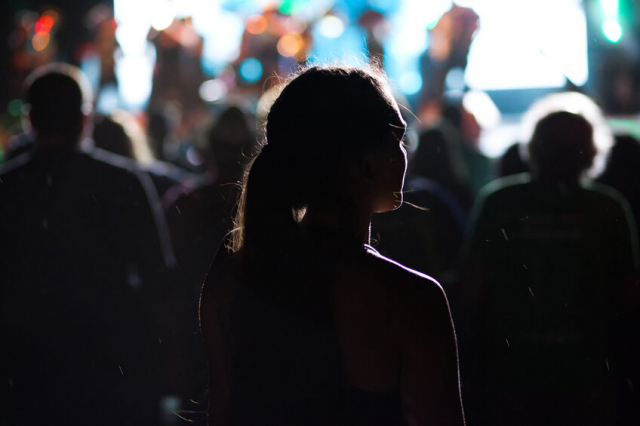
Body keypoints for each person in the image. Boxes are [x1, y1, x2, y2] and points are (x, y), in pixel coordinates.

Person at [199, 65, 465, 425]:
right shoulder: (411, 298)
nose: (405, 154)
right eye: (398, 139)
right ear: (366, 163)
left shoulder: (231, 274)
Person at [0, 63, 169, 424]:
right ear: (84, 119)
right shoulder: (123, 182)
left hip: (26, 365)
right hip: (109, 361)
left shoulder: (9, 188)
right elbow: (158, 275)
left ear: (30, 120)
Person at [460, 111, 639, 425]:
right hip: (589, 372)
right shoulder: (607, 207)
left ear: (533, 148)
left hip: (512, 372)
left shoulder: (499, 202)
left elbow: (471, 289)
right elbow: (629, 297)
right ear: (591, 152)